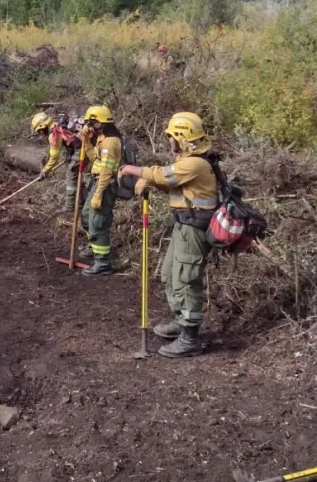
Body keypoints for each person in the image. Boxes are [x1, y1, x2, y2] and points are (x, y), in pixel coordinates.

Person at [120, 112, 218, 358]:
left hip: (193, 230)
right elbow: (171, 183)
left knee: (186, 279)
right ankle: (180, 321)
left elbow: (163, 175)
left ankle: (190, 338)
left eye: (172, 136)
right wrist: (151, 182)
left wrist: (132, 170)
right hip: (182, 227)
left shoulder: (195, 163)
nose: (169, 140)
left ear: (183, 137)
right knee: (169, 275)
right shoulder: (187, 161)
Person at [80, 105, 122, 277]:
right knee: (86, 215)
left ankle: (103, 263)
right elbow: (95, 161)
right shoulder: (101, 138)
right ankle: (94, 245)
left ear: (102, 122)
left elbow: (106, 170)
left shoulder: (111, 141)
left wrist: (98, 193)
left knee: (98, 222)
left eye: (93, 123)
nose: (90, 127)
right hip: (96, 182)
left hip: (105, 185)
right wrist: (86, 143)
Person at [31, 111, 84, 211]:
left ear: (43, 126)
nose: (41, 133)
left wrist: (45, 171)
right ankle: (82, 201)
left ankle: (70, 207)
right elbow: (71, 139)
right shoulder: (58, 125)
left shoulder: (53, 134)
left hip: (82, 150)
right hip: (84, 148)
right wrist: (70, 154)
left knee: (71, 175)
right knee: (80, 177)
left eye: (40, 131)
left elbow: (54, 157)